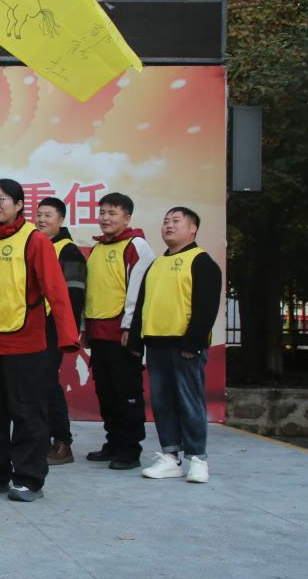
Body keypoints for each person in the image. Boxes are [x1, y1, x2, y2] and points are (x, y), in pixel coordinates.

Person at [0, 179, 79, 502]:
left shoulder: (34, 241)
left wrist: (68, 337)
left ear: (19, 205)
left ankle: (28, 479)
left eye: (2, 199)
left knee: (27, 414)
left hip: (25, 345)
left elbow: (57, 291)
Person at [129, 207, 222, 484]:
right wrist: (136, 339)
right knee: (162, 403)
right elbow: (143, 303)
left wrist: (193, 342)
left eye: (176, 221)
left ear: (193, 228)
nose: (168, 225)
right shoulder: (156, 264)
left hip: (185, 346)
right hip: (156, 344)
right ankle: (171, 456)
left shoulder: (201, 261)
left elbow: (206, 308)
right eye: (166, 221)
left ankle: (197, 458)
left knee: (189, 402)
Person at [84, 192, 156, 471]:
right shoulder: (98, 248)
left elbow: (138, 291)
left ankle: (130, 449)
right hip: (99, 332)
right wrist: (85, 328)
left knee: (127, 392)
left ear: (127, 218)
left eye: (112, 213)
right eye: (102, 212)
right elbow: (92, 293)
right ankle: (113, 442)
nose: (105, 218)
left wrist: (129, 327)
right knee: (106, 392)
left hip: (122, 334)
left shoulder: (137, 246)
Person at [34, 196, 87, 465]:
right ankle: (39, 440)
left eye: (48, 215)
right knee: (34, 384)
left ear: (61, 220)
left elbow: (74, 297)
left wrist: (67, 332)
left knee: (46, 383)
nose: (41, 220)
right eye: (39, 215)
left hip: (52, 328)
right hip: (31, 328)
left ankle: (62, 442)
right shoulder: (36, 245)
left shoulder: (68, 251)